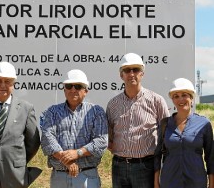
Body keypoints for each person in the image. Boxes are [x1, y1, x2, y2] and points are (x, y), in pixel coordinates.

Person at [106, 52, 170, 188]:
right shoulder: (113, 104)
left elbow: (167, 135)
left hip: (146, 166)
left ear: (142, 73)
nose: (131, 73)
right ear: (121, 75)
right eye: (126, 70)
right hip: (119, 166)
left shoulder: (156, 101)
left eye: (135, 69)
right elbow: (109, 135)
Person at [40, 69, 108, 188]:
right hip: (59, 177)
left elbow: (101, 142)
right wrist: (67, 160)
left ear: (86, 90)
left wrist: (78, 153)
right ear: (64, 89)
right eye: (69, 86)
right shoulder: (52, 112)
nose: (73, 89)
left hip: (87, 175)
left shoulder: (96, 112)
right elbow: (47, 138)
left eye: (78, 86)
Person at [154, 78, 214, 188]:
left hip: (196, 182)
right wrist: (156, 182)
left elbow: (210, 157)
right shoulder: (165, 124)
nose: (181, 99)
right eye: (176, 96)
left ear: (191, 98)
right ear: (172, 100)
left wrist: (212, 184)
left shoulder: (204, 124)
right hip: (169, 181)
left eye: (184, 95)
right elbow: (157, 155)